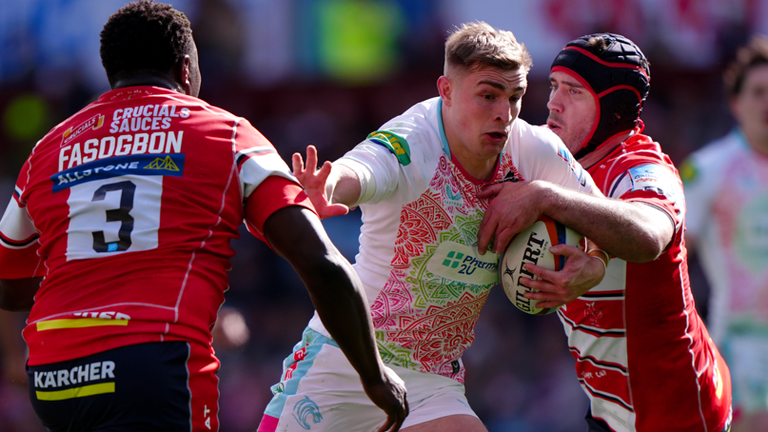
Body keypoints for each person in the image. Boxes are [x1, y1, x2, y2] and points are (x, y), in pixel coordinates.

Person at [0, 2, 407, 431]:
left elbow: (9, 288)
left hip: (53, 373)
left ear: (111, 73)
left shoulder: (48, 149)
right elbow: (320, 263)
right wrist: (374, 375)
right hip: (154, 365)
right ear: (186, 70)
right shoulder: (227, 134)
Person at [258, 22, 609, 432]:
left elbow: (599, 216)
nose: (504, 113)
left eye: (515, 97)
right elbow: (361, 170)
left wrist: (596, 263)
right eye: (488, 96)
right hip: (346, 359)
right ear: (446, 91)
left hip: (431, 377)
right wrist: (328, 188)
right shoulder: (412, 141)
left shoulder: (535, 150)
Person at [478, 33, 733, 431]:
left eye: (574, 91)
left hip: (676, 411)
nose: (552, 103)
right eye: (554, 86)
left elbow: (649, 234)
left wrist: (546, 198)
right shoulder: (550, 159)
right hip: (609, 411)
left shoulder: (641, 169)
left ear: (611, 108)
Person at [681, 34, 768, 432]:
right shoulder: (707, 170)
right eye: (758, 92)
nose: (767, 102)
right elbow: (674, 257)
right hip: (741, 351)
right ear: (736, 104)